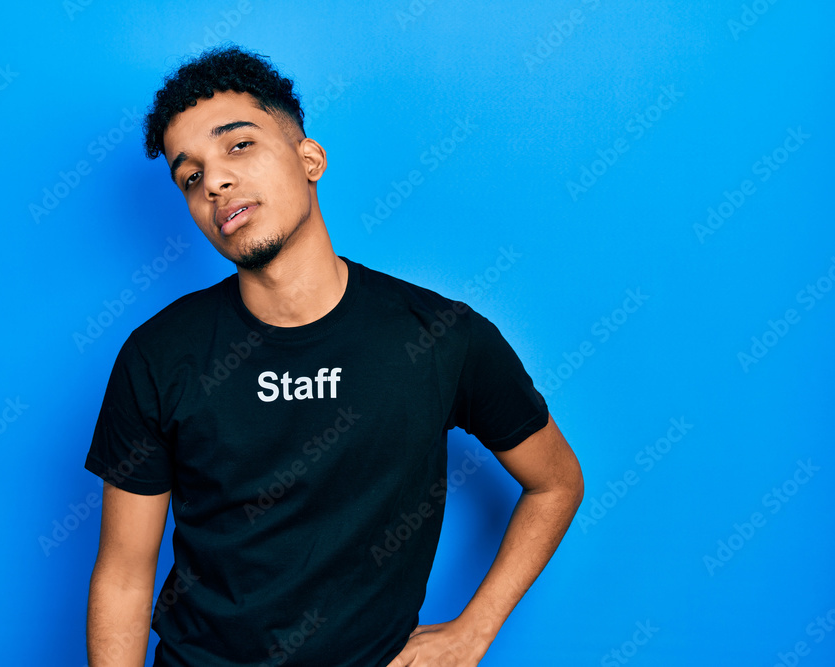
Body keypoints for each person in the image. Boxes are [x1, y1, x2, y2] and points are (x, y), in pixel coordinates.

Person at [84, 44, 584, 667]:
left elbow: (556, 483)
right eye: (191, 176)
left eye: (239, 145)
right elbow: (124, 576)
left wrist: (473, 631)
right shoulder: (158, 355)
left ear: (310, 159)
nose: (214, 181)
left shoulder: (439, 336)